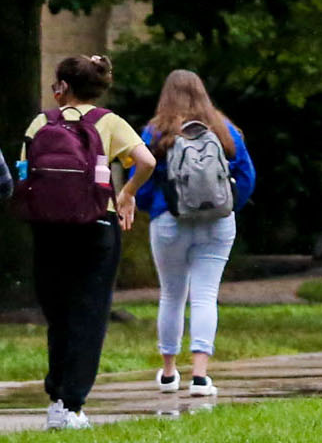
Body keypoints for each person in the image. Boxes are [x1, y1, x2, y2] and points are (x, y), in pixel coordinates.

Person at [18, 55, 156, 431]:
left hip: (48, 228)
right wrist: (126, 193)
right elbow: (146, 160)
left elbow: (24, 171)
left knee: (59, 314)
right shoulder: (107, 122)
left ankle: (56, 400)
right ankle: (73, 404)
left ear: (62, 87)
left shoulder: (41, 122)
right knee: (89, 313)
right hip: (96, 224)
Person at [138, 70, 256, 399]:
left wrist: (154, 207)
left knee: (172, 295)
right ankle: (201, 376)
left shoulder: (155, 130)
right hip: (218, 223)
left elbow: (141, 175)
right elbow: (246, 175)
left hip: (169, 221)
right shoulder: (225, 129)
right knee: (205, 296)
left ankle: (168, 372)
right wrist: (228, 205)